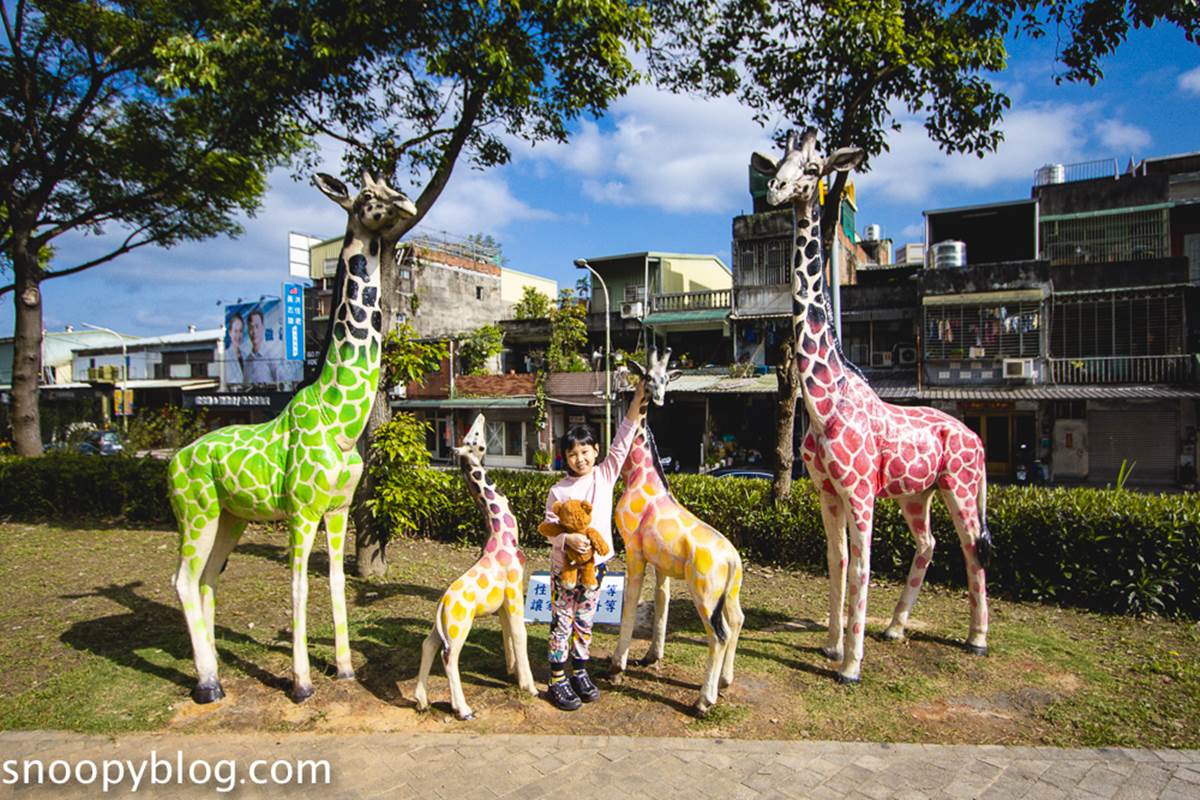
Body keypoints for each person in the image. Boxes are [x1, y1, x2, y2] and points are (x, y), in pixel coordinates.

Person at [542, 379, 646, 711]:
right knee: (562, 618)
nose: (579, 458)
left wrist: (639, 397)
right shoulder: (558, 491)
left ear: (595, 451)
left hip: (596, 568)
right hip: (563, 570)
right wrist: (565, 537)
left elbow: (624, 437)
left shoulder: (604, 476)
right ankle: (557, 677)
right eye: (572, 453)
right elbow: (548, 528)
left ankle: (580, 671)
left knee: (586, 618)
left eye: (585, 451)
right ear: (565, 457)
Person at [243, 308, 279, 384]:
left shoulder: (271, 357)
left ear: (262, 327)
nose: (254, 331)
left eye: (257, 326)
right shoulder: (247, 360)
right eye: (251, 327)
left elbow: (279, 383)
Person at [225, 312, 245, 387]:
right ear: (230, 332)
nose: (238, 335)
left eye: (240, 331)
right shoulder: (225, 356)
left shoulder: (245, 355)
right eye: (235, 331)